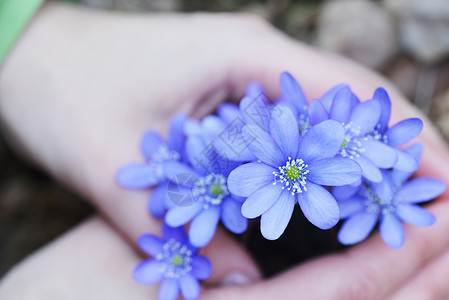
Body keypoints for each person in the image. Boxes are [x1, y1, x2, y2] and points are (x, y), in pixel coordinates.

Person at [1, 2, 449, 299]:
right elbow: (223, 187)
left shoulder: (321, 167)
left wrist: (29, 40)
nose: (292, 174)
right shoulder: (251, 166)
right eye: (290, 170)